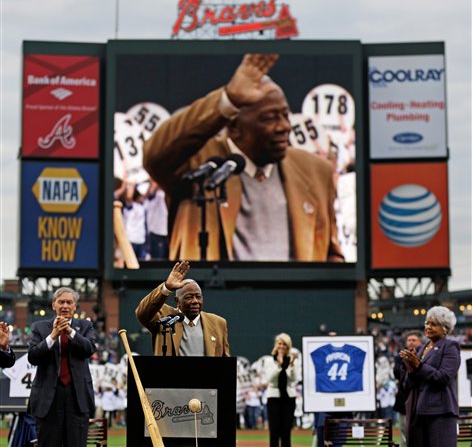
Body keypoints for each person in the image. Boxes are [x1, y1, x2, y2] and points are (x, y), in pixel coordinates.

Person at [143, 53, 344, 262]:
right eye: (269, 118)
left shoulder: (315, 170)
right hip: (215, 294)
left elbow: (331, 255)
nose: (284, 126)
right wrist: (227, 100)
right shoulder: (199, 162)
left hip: (296, 295)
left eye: (285, 115)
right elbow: (155, 155)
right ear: (234, 128)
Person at [28, 287, 97, 447]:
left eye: (69, 302)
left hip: (77, 398)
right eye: (61, 302)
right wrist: (53, 336)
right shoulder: (40, 327)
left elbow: (89, 349)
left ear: (74, 306)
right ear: (54, 305)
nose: (65, 305)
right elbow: (33, 357)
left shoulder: (85, 326)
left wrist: (70, 332)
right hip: (48, 399)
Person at [135, 260, 230, 356]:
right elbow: (142, 313)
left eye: (198, 296)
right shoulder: (165, 316)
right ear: (177, 300)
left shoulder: (218, 323)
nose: (195, 301)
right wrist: (166, 288)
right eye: (189, 297)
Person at [399, 306, 460, 447]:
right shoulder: (421, 349)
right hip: (418, 411)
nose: (428, 327)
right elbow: (407, 386)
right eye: (427, 323)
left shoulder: (450, 347)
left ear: (445, 328)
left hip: (440, 412)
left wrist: (419, 366)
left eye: (434, 324)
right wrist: (411, 369)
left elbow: (443, 378)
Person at [262, 333, 298, 447]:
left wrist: (291, 365)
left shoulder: (291, 360)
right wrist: (279, 365)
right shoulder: (269, 360)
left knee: (286, 431)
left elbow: (293, 380)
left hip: (288, 398)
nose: (282, 346)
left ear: (288, 346)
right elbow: (269, 379)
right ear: (276, 345)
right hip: (274, 397)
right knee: (274, 430)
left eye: (285, 344)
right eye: (280, 343)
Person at [393, 330, 423, 447]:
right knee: (404, 433)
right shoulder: (400, 357)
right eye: (409, 340)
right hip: (404, 399)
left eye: (414, 340)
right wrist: (407, 361)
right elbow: (396, 373)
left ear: (420, 341)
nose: (411, 342)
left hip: (421, 398)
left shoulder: (425, 355)